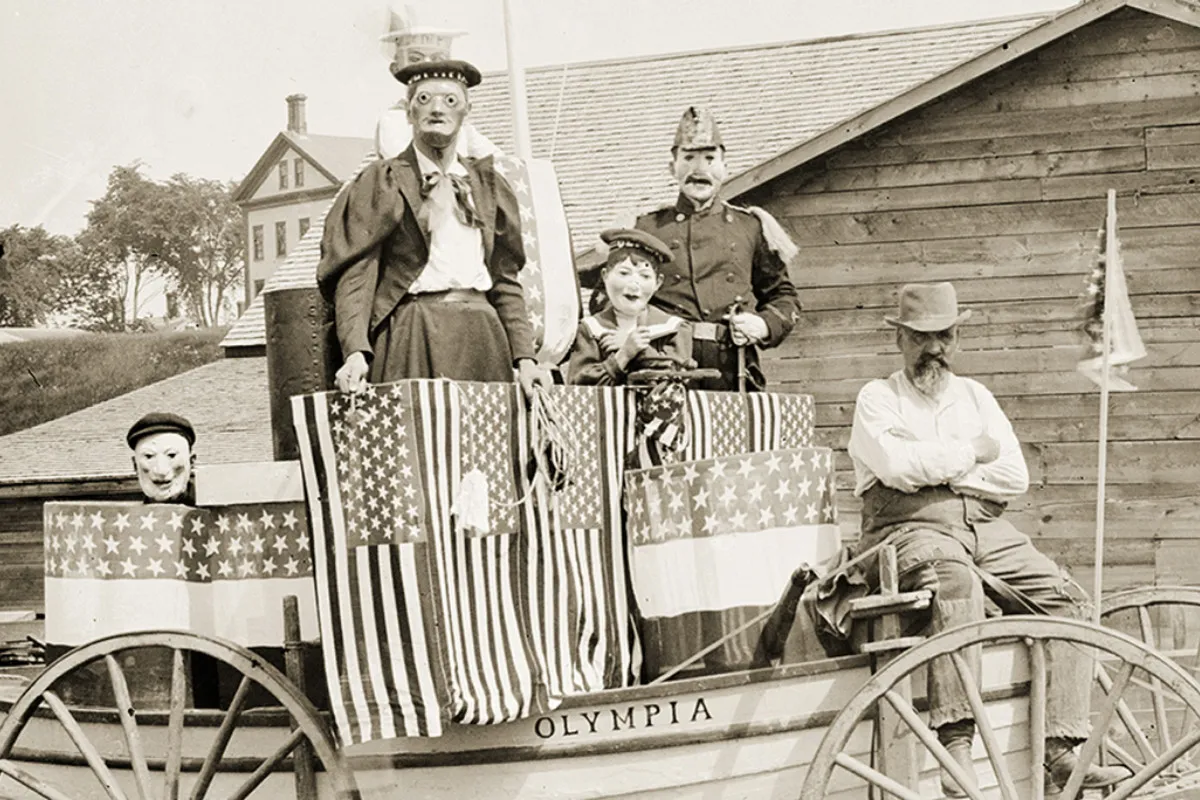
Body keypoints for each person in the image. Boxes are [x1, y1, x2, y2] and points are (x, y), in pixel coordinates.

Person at [847, 282, 1129, 796]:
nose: (934, 348)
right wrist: (972, 451)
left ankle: (1062, 750)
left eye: (945, 336)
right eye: (921, 337)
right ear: (901, 340)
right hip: (909, 527)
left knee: (1067, 597)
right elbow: (895, 467)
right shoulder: (878, 398)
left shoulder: (975, 396)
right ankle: (956, 743)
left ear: (957, 337)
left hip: (983, 525)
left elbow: (1012, 476)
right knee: (955, 586)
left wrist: (939, 463)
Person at [317, 58, 551, 397]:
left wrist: (526, 360)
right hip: (412, 332)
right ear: (409, 113)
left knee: (485, 447)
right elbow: (357, 274)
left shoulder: (489, 187)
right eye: (424, 99)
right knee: (415, 442)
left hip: (483, 337)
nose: (437, 109)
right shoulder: (382, 181)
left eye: (450, 100)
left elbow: (505, 279)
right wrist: (355, 352)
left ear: (466, 111)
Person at [634, 106, 800, 392]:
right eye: (689, 158)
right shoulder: (647, 229)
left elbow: (783, 297)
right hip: (665, 368)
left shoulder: (751, 227)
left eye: (710, 159)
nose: (700, 170)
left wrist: (763, 324)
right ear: (672, 167)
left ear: (725, 167)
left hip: (732, 370)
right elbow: (610, 296)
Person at [569, 228, 692, 385]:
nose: (634, 285)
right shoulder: (590, 329)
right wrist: (624, 354)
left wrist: (640, 351)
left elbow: (677, 380)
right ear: (605, 275)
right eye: (624, 273)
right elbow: (579, 386)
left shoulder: (674, 329)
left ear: (658, 283)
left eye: (645, 276)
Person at [127, 412, 196, 505]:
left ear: (191, 462)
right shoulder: (125, 517)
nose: (160, 471)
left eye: (171, 455)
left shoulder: (217, 513)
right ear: (135, 465)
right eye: (149, 456)